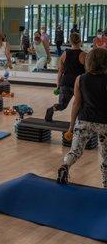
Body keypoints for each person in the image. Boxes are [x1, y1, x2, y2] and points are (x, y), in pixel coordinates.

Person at [57, 48, 107, 186]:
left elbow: (76, 104)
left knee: (75, 152)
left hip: (84, 121)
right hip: (104, 124)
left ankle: (65, 166)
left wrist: (71, 126)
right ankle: (105, 185)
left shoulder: (80, 79)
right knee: (105, 157)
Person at [45, 33, 86, 122]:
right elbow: (88, 72)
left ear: (70, 41)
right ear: (80, 41)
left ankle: (52, 109)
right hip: (78, 84)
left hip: (66, 82)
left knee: (62, 105)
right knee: (81, 104)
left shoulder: (64, 54)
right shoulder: (84, 55)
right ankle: (79, 122)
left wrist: (58, 84)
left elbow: (60, 71)